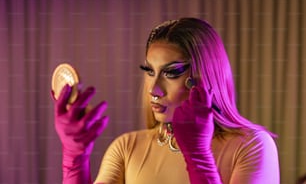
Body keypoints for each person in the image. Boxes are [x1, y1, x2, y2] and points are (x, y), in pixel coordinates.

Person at [52, 17, 280, 184]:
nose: (154, 89)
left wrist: (198, 156)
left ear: (205, 78)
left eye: (171, 73)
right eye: (150, 71)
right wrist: (74, 158)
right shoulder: (127, 147)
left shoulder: (252, 146)